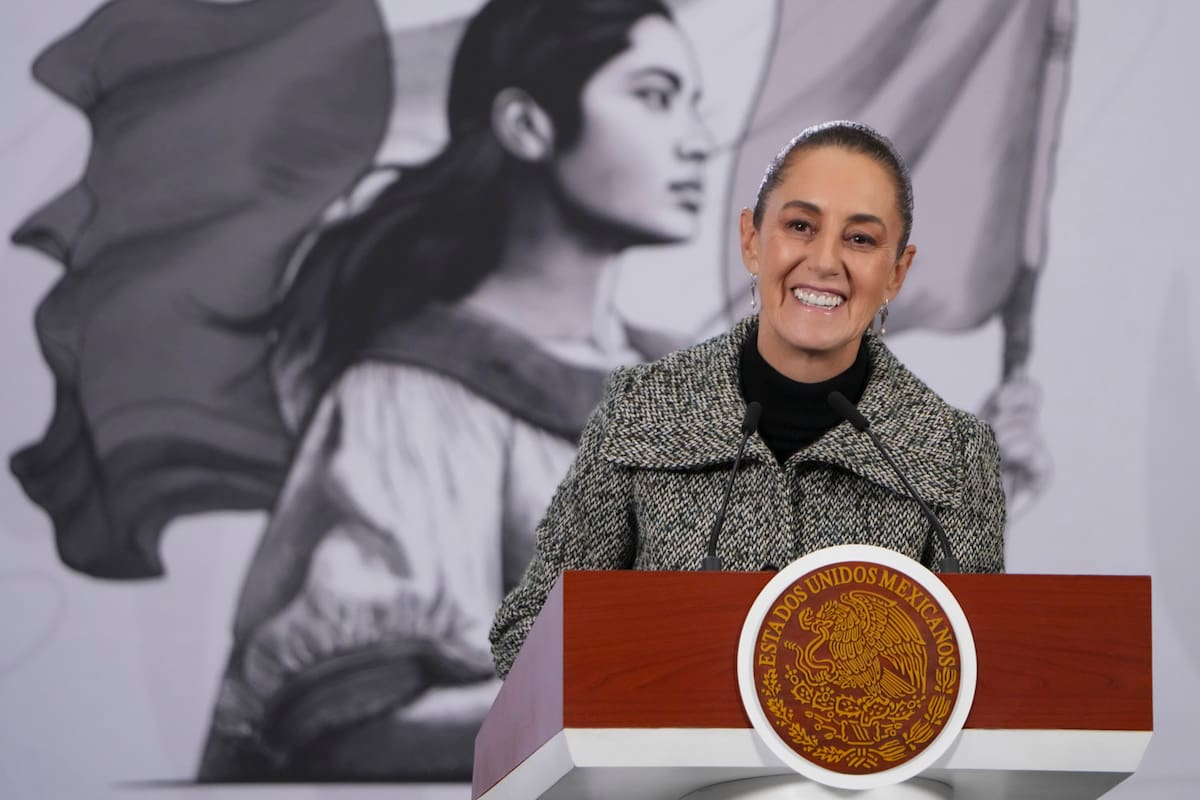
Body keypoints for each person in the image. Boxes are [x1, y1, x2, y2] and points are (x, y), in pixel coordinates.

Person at [196, 0, 711, 782]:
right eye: (653, 96)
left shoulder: (705, 391)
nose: (699, 142)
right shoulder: (412, 396)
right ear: (528, 125)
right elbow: (351, 729)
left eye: (694, 105)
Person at [491, 120, 1006, 678]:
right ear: (752, 242)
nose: (826, 261)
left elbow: (975, 675)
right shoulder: (643, 407)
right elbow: (527, 637)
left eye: (860, 238)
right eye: (801, 226)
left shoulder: (954, 454)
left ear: (896, 275)